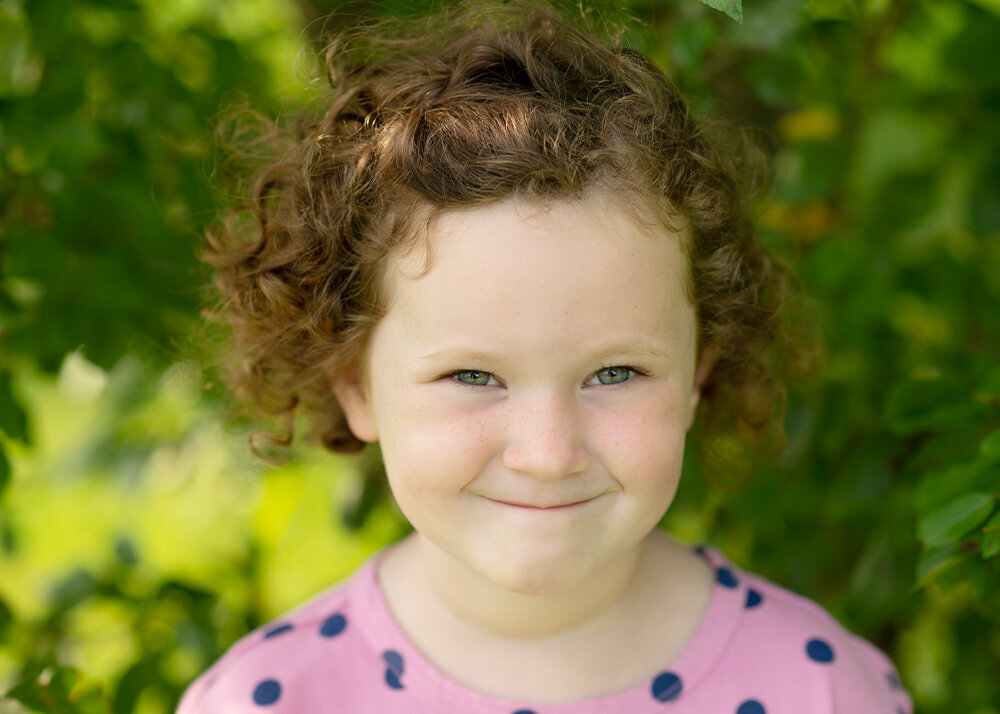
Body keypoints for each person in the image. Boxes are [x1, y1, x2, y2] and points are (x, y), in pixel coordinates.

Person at [177, 2, 912, 712]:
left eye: (616, 373)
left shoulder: (823, 688)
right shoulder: (267, 700)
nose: (548, 454)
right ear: (354, 384)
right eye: (472, 375)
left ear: (699, 373)